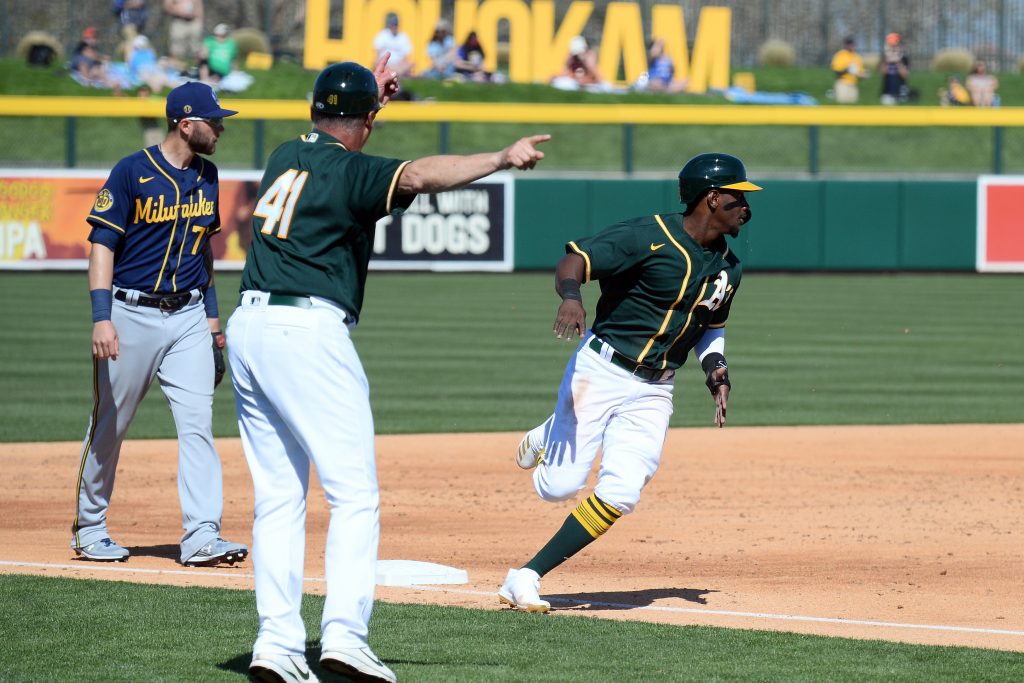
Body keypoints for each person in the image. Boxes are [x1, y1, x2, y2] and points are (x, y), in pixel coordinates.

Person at [228, 58, 548, 683]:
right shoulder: (352, 171)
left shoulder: (283, 156)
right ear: (367, 123)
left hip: (249, 324)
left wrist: (372, 104)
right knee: (353, 495)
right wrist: (502, 158)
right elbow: (422, 175)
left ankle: (276, 644)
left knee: (279, 497)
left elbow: (341, 142)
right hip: (307, 330)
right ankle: (344, 637)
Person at [497, 153, 761, 613]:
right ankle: (551, 430)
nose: (747, 207)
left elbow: (711, 325)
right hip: (601, 371)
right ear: (711, 198)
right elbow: (573, 260)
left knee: (621, 493)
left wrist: (715, 369)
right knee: (558, 487)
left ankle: (526, 576)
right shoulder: (647, 235)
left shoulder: (728, 267)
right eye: (739, 197)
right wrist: (572, 298)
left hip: (656, 388)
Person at [71, 81, 248, 569]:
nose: (220, 129)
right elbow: (102, 245)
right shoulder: (131, 172)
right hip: (131, 315)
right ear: (184, 123)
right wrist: (101, 318)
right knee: (112, 422)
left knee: (197, 424)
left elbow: (203, 251)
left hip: (189, 316)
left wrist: (213, 322)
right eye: (213, 121)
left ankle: (202, 534)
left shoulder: (208, 176)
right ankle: (90, 528)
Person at [372, 13, 414, 78]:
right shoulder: (382, 34)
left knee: (411, 63)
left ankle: (391, 73)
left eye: (395, 24)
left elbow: (406, 56)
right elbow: (377, 52)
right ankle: (394, 74)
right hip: (385, 63)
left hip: (399, 64)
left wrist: (399, 65)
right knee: (377, 62)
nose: (394, 26)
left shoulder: (403, 36)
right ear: (389, 25)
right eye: (392, 24)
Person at [163, 0, 204, 66]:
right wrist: (179, 11)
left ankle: (196, 69)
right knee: (177, 50)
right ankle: (177, 70)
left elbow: (199, 6)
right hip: (179, 21)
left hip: (193, 21)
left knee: (197, 49)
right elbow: (167, 6)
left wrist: (200, 22)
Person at [830, 36, 865, 104]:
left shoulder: (857, 57)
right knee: (842, 106)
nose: (851, 45)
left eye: (852, 43)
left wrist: (862, 75)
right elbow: (836, 71)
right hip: (843, 83)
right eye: (849, 43)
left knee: (853, 107)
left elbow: (860, 72)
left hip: (853, 84)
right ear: (845, 45)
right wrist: (847, 70)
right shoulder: (840, 55)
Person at [879, 32, 910, 105]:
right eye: (891, 46)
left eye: (895, 46)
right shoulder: (885, 58)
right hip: (887, 92)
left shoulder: (904, 59)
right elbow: (882, 73)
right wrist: (887, 61)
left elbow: (905, 75)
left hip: (900, 91)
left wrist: (897, 62)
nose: (893, 48)